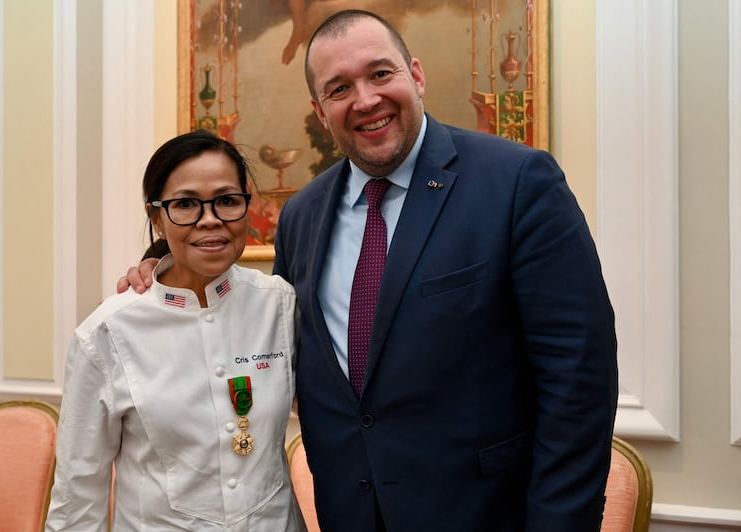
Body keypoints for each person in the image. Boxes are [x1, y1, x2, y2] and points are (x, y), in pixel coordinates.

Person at [120, 10, 618, 531]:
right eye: (338, 88)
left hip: (486, 514)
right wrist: (165, 267)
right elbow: (258, 322)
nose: (365, 99)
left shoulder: (517, 182)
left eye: (380, 73)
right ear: (319, 109)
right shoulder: (302, 215)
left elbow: (579, 378)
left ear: (415, 75)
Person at [48, 130, 306, 531]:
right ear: (157, 218)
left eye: (226, 201)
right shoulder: (108, 333)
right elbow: (78, 495)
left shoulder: (280, 305)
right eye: (185, 204)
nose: (210, 219)